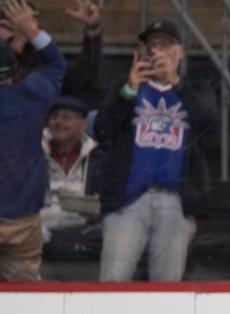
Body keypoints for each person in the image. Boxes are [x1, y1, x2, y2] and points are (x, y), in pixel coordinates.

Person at [94, 21, 217, 282]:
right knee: (113, 282)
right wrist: (129, 89)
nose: (158, 51)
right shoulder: (125, 85)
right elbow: (103, 129)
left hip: (176, 200)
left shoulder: (197, 88)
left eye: (165, 44)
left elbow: (210, 125)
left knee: (168, 288)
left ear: (180, 52)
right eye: (152, 45)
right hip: (127, 201)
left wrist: (175, 83)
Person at [0, 0, 65, 282]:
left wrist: (15, 43)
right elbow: (57, 63)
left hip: (21, 214)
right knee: (25, 304)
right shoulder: (32, 94)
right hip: (22, 217)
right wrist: (29, 30)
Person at [40, 96, 104, 280]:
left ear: (83, 124)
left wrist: (98, 209)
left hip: (84, 230)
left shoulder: (99, 157)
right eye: (54, 117)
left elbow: (108, 201)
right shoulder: (32, 153)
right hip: (40, 228)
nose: (59, 122)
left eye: (67, 117)